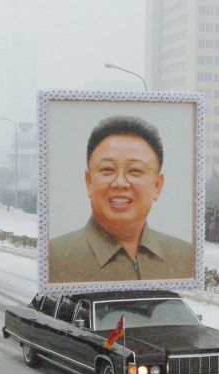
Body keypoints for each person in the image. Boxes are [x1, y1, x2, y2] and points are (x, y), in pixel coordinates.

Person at [48, 115, 194, 283]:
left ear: (157, 186)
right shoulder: (54, 258)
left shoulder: (184, 257)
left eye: (135, 171)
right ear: (89, 182)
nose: (120, 183)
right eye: (107, 169)